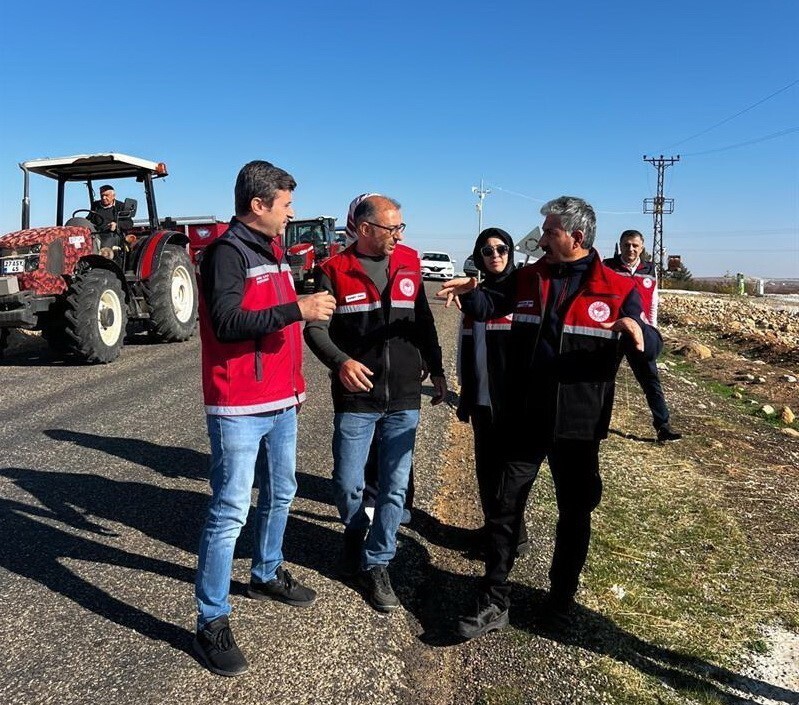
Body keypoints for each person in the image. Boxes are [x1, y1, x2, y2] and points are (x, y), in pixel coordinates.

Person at [438, 196, 662, 639]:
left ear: (575, 237)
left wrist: (641, 333)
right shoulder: (529, 277)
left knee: (574, 514)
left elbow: (650, 342)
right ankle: (494, 599)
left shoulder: (618, 288)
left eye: (549, 232)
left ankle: (560, 601)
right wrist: (471, 292)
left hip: (579, 427)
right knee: (504, 506)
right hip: (526, 417)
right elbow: (488, 305)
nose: (540, 240)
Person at [193, 160, 337, 677]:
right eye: (286, 204)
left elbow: (276, 327)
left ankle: (267, 572)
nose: (291, 213)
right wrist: (299, 309)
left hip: (281, 399)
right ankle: (211, 619)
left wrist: (295, 385)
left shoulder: (272, 249)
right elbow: (228, 322)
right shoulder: (226, 253)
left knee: (282, 492)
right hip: (239, 404)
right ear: (258, 205)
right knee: (230, 510)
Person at [304, 194, 447, 613]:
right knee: (347, 483)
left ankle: (378, 562)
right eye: (392, 228)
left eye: (401, 227)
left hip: (404, 394)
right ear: (365, 229)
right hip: (357, 397)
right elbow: (315, 329)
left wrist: (437, 368)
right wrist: (341, 362)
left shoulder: (410, 262)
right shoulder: (333, 270)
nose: (398, 235)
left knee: (395, 487)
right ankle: (354, 535)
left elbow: (423, 320)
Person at [455, 227, 528, 557]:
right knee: (486, 471)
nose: (495, 255)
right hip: (481, 400)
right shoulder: (475, 294)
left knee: (510, 477)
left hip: (512, 403)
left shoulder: (520, 294)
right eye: (487, 251)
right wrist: (465, 392)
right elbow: (465, 346)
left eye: (501, 249)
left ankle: (514, 538)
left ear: (510, 252)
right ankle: (492, 530)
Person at [603, 229, 681, 442]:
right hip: (614, 331)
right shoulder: (607, 266)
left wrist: (652, 329)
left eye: (635, 245)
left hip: (641, 332)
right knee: (605, 380)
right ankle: (599, 425)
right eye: (626, 245)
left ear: (642, 247)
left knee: (650, 380)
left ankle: (663, 426)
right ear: (620, 245)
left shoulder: (649, 269)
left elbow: (653, 302)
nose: (631, 249)